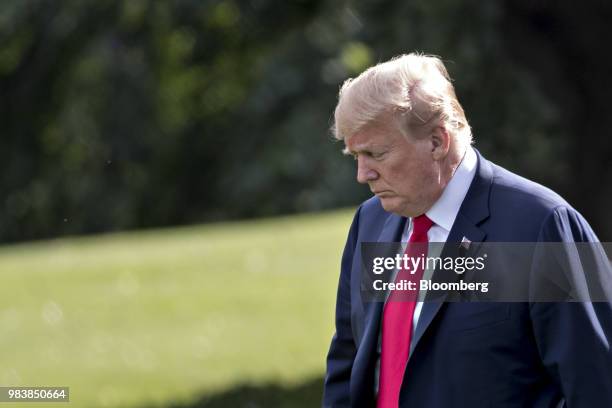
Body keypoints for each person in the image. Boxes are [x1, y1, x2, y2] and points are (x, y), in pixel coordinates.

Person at [322, 53, 612, 407]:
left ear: (437, 142)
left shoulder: (541, 225)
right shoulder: (370, 222)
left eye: (376, 154)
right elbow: (347, 365)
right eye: (356, 157)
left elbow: (596, 386)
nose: (362, 174)